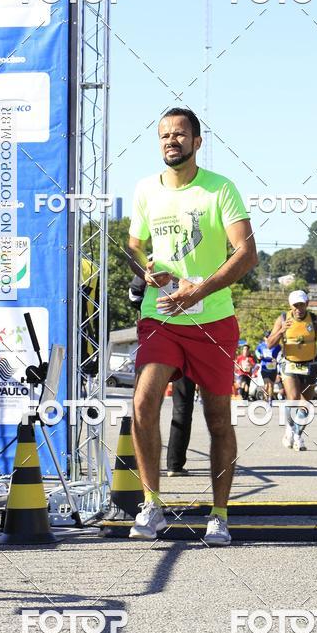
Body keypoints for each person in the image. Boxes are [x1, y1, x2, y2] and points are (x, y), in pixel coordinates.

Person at [127, 107, 257, 545]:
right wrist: (142, 267)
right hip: (160, 315)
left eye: (180, 134)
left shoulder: (221, 190)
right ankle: (152, 506)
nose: (171, 141)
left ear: (197, 142)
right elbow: (133, 244)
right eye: (164, 134)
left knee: (218, 418)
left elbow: (246, 254)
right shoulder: (146, 190)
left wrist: (197, 293)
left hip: (213, 320)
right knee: (143, 401)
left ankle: (219, 514)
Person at [128, 273, 195, 477]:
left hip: (163, 338)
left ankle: (160, 464)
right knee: (176, 406)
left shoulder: (153, 261)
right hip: (178, 337)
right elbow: (135, 295)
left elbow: (133, 296)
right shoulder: (192, 263)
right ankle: (173, 464)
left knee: (148, 404)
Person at [266, 290, 317, 451]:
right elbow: (270, 344)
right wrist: (281, 330)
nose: (299, 309)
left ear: (307, 304)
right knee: (294, 399)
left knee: (306, 405)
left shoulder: (315, 320)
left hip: (310, 365)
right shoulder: (282, 319)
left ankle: (297, 433)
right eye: (295, 305)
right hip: (290, 364)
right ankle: (292, 432)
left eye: (301, 305)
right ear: (290, 306)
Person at [255, 330, 281, 401]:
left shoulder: (277, 345)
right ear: (264, 338)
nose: (268, 338)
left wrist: (277, 360)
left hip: (273, 368)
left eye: (270, 336)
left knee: (271, 386)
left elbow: (280, 354)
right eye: (267, 337)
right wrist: (259, 356)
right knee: (267, 385)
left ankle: (269, 400)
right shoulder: (261, 346)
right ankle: (265, 399)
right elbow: (257, 351)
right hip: (264, 367)